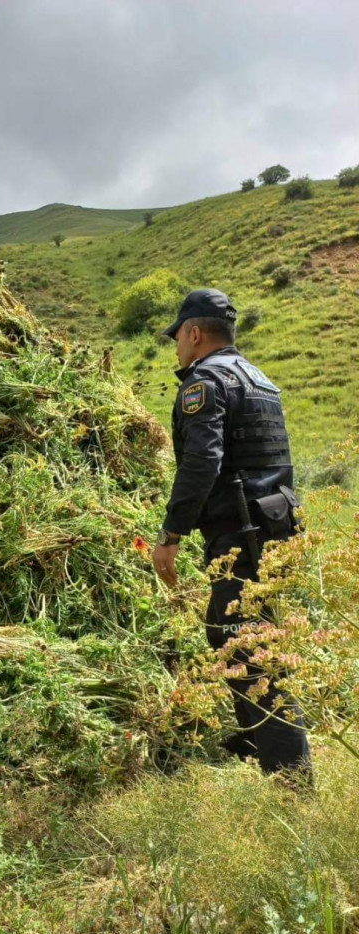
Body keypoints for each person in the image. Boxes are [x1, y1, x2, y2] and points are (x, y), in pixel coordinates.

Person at [151, 288, 311, 779]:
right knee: (225, 630)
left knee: (253, 652)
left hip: (242, 534)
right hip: (277, 525)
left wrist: (171, 533)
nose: (176, 347)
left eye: (178, 337)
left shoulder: (206, 381)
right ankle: (252, 739)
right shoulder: (260, 380)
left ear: (195, 333)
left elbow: (203, 461)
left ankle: (292, 782)